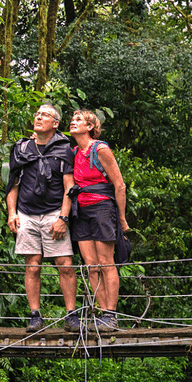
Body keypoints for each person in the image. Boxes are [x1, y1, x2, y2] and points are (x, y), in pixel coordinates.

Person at [5, 104, 78, 333]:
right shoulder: (22, 148)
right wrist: (12, 213)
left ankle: (72, 315)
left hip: (54, 213)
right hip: (26, 213)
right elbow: (13, 183)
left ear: (55, 123)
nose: (38, 117)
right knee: (33, 266)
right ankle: (35, 316)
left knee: (65, 265)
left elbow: (69, 186)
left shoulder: (64, 148)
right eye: (37, 114)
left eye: (45, 115)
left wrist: (63, 218)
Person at [67, 110, 129, 331]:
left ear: (90, 127)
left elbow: (119, 184)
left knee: (106, 262)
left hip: (102, 207)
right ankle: (103, 314)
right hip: (80, 210)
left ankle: (111, 314)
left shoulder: (100, 149)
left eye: (78, 120)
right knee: (91, 265)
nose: (72, 122)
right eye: (72, 119)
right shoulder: (74, 152)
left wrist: (121, 218)